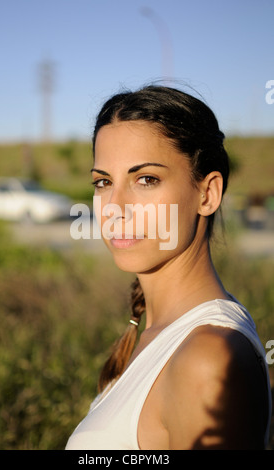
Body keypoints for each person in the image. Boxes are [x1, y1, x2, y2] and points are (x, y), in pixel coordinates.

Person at [66, 85, 272, 450]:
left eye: (146, 179)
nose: (114, 208)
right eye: (103, 182)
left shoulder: (206, 358)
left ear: (207, 194)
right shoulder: (157, 335)